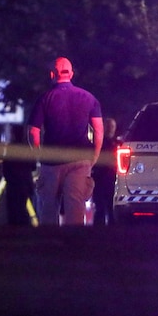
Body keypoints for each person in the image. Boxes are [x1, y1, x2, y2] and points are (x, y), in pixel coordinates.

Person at [27, 56, 103, 226]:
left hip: (52, 162)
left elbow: (33, 132)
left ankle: (49, 245)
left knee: (48, 208)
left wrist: (39, 155)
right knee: (76, 206)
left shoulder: (45, 98)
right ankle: (73, 247)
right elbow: (98, 130)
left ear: (52, 74)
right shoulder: (89, 98)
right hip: (80, 160)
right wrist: (94, 157)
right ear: (71, 74)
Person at [1, 125, 36, 226]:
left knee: (12, 208)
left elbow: (5, 165)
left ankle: (12, 232)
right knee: (22, 207)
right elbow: (33, 166)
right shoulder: (28, 147)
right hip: (25, 182)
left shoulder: (10, 147)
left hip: (13, 182)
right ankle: (24, 230)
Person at [91, 117, 118, 225]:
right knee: (100, 209)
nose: (110, 129)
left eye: (112, 127)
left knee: (110, 210)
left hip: (111, 180)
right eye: (108, 126)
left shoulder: (117, 144)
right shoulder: (97, 144)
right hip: (100, 180)